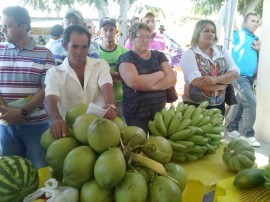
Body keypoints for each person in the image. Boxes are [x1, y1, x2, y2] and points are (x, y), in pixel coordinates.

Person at [0, 6, 55, 168]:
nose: (3, 29)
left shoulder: (45, 54)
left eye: (8, 25)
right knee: (10, 170)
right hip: (6, 124)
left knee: (42, 167)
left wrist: (22, 112)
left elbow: (47, 88)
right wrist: (4, 109)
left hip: (37, 125)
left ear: (23, 27)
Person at [44, 25, 117, 139]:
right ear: (64, 46)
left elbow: (107, 85)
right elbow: (50, 99)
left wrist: (110, 104)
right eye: (74, 46)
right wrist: (56, 119)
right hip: (69, 131)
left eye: (84, 47)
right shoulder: (54, 73)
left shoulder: (100, 64)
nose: (79, 52)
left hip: (100, 129)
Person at [116, 22, 176, 133]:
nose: (145, 40)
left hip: (159, 112)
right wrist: (160, 74)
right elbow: (135, 82)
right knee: (137, 146)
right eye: (141, 36)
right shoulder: (125, 58)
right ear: (132, 38)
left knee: (158, 146)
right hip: (135, 115)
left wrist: (150, 85)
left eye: (148, 36)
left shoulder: (158, 55)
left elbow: (172, 78)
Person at [180, 19, 239, 116]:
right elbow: (197, 82)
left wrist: (215, 80)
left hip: (218, 105)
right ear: (198, 33)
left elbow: (235, 73)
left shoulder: (221, 50)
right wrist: (222, 85)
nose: (210, 34)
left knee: (216, 130)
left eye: (213, 31)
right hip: (194, 106)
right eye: (206, 31)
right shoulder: (189, 53)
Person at [226, 13, 261, 147]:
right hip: (238, 75)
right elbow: (232, 21)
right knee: (251, 101)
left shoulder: (256, 38)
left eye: (257, 21)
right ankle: (248, 133)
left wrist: (259, 49)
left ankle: (232, 128)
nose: (256, 23)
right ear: (244, 22)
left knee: (241, 103)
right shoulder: (239, 34)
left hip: (250, 77)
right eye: (252, 21)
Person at [99, 17, 128, 116]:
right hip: (101, 100)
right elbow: (93, 75)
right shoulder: (95, 53)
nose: (108, 33)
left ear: (116, 31)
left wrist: (103, 74)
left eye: (111, 29)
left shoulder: (124, 52)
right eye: (105, 30)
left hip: (121, 100)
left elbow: (129, 77)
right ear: (100, 32)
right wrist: (118, 75)